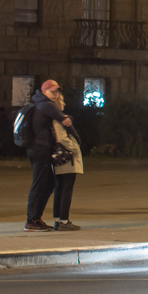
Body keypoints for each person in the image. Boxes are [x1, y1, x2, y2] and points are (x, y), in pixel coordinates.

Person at [24, 79, 72, 231]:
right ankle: (32, 220)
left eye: (57, 91)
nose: (56, 94)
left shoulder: (39, 103)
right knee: (40, 184)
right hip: (41, 149)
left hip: (38, 149)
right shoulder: (46, 105)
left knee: (49, 183)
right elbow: (66, 121)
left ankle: (36, 217)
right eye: (52, 91)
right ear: (44, 91)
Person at [50, 90, 85, 229]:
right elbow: (62, 138)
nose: (64, 103)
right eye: (62, 101)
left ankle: (60, 218)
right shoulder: (58, 119)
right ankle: (63, 220)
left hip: (62, 158)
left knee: (61, 188)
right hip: (66, 159)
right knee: (66, 188)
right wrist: (74, 148)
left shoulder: (54, 119)